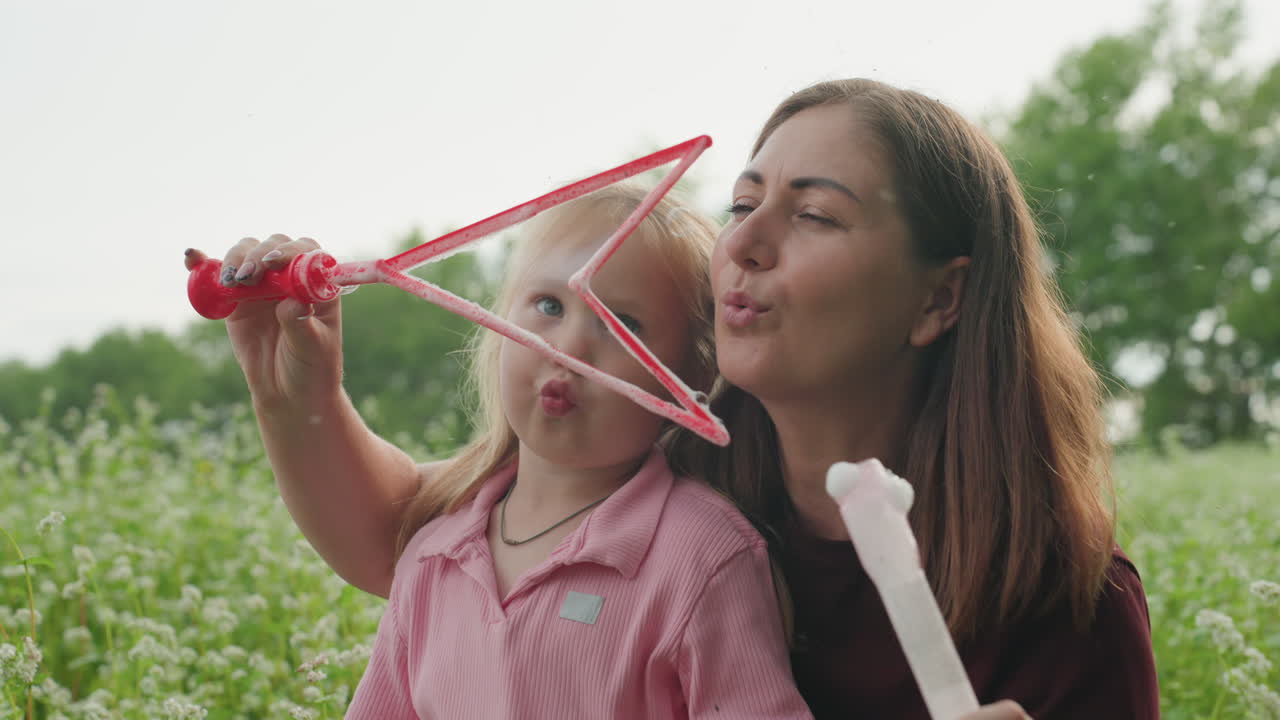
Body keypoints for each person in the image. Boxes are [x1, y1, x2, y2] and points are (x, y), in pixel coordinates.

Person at [196, 78, 1157, 719]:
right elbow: (417, 540)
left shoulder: (1065, 608)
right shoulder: (654, 458)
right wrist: (295, 392)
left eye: (815, 214)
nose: (745, 241)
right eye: (743, 204)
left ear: (939, 298)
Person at [189, 184, 812, 718]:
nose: (568, 345)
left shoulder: (704, 557)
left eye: (620, 323)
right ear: (497, 326)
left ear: (687, 373)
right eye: (547, 305)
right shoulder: (436, 556)